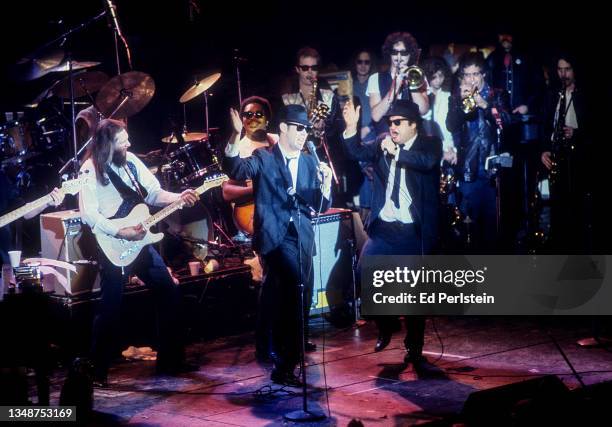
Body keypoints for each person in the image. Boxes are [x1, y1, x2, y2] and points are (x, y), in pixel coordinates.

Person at [79, 119, 199, 386]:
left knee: (169, 290)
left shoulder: (131, 161)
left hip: (141, 242)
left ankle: (171, 361)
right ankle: (95, 372)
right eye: (123, 141)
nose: (129, 144)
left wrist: (178, 197)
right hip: (113, 244)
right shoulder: (90, 170)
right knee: (110, 307)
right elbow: (88, 213)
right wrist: (120, 233)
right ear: (108, 144)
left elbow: (154, 193)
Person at [223, 105, 332, 386]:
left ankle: (285, 361)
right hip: (275, 237)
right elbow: (235, 167)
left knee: (297, 296)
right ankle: (284, 362)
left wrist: (327, 185)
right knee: (295, 289)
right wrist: (235, 136)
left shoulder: (309, 162)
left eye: (307, 129)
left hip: (302, 236)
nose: (303, 134)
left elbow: (319, 204)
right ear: (283, 128)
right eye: (299, 128)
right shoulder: (264, 157)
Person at [342, 99, 442, 364]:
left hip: (412, 230)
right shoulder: (382, 142)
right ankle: (386, 325)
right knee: (364, 274)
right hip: (385, 228)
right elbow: (356, 152)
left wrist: (396, 152)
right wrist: (351, 127)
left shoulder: (429, 143)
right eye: (390, 123)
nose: (392, 127)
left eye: (398, 123)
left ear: (413, 125)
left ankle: (415, 346)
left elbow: (426, 162)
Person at [447, 52, 510, 251]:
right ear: (462, 77)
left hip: (494, 170)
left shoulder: (497, 94)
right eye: (467, 75)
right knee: (469, 227)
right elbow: (451, 125)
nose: (472, 79)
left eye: (475, 74)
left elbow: (507, 122)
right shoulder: (456, 97)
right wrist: (460, 102)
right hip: (468, 169)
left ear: (483, 74)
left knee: (494, 228)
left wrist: (486, 105)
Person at [540, 53, 589, 252]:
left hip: (578, 159)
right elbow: (544, 126)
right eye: (560, 69)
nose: (563, 74)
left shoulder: (585, 93)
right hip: (557, 155)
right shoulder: (552, 93)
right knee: (557, 209)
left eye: (567, 69)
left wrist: (576, 133)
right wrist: (543, 150)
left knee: (577, 210)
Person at [367, 32, 429, 137]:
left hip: (411, 138)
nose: (399, 56)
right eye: (394, 52)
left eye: (404, 53)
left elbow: (423, 110)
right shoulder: (375, 78)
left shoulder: (419, 76)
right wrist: (396, 84)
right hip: (386, 136)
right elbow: (376, 116)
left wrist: (412, 84)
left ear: (410, 55)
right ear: (389, 53)